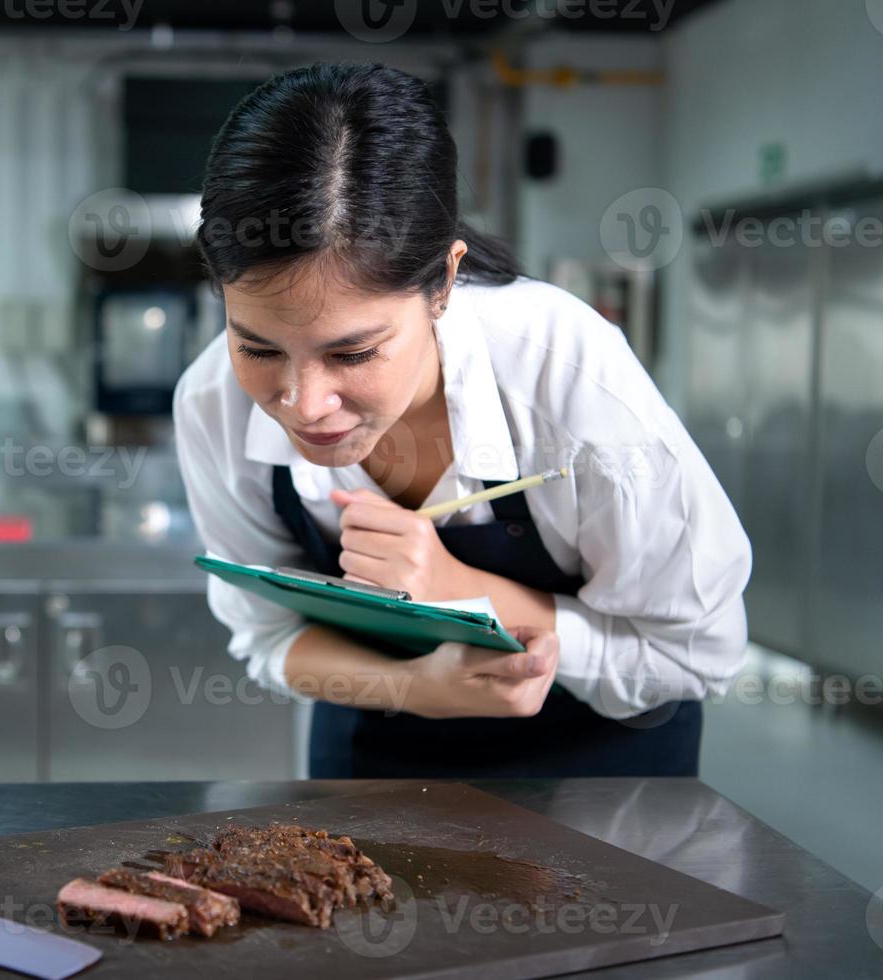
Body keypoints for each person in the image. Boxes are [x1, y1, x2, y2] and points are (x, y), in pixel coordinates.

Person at [173, 63, 752, 779]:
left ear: (443, 281)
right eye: (257, 346)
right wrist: (417, 688)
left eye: (353, 352)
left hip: (603, 774)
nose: (305, 402)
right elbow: (265, 635)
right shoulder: (211, 402)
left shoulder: (568, 380)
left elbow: (698, 651)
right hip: (374, 766)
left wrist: (455, 587)